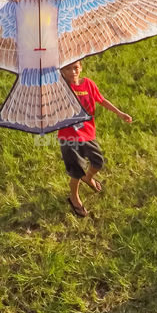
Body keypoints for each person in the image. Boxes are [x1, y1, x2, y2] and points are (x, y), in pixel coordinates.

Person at [57, 60, 133, 217]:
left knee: (98, 161)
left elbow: (101, 100)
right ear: (61, 71)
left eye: (75, 68)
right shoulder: (60, 88)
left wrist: (119, 113)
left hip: (87, 133)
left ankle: (88, 177)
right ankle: (74, 197)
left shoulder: (89, 84)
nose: (72, 72)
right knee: (76, 170)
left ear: (81, 68)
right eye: (68, 69)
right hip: (68, 135)